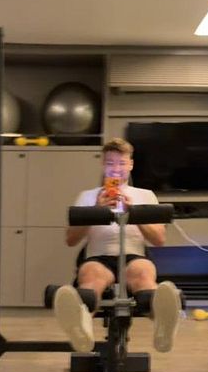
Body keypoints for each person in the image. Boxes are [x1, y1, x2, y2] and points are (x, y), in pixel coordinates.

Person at [53, 137, 182, 353]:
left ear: (131, 165)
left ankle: (162, 321)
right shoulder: (87, 196)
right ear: (103, 165)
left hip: (134, 256)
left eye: (122, 163)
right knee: (91, 276)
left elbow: (159, 240)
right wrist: (95, 210)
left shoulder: (145, 195)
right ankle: (81, 325)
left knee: (143, 274)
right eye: (111, 163)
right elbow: (70, 240)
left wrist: (135, 214)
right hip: (99, 257)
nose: (116, 170)